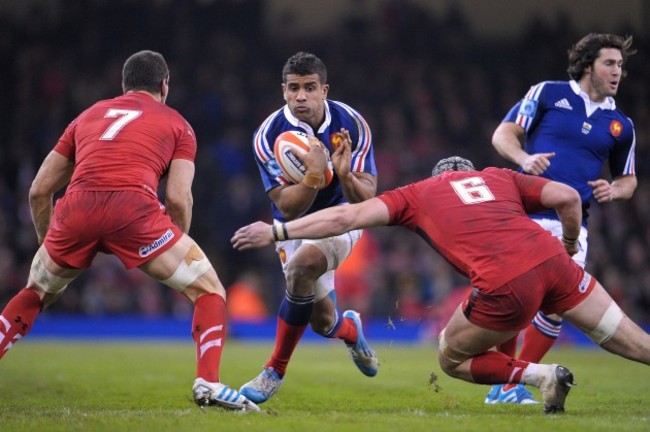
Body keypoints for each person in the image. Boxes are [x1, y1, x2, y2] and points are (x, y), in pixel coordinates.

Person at [232, 156, 650, 414]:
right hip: (555, 262)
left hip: (507, 282)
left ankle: (539, 376)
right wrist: (571, 245)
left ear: (438, 177)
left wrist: (277, 232)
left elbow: (344, 218)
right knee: (628, 339)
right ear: (470, 172)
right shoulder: (499, 177)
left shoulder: (417, 193)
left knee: (451, 354)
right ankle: (533, 376)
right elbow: (568, 198)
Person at [0, 50, 259, 412]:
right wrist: (174, 245)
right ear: (164, 85)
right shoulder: (178, 124)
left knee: (36, 293)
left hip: (76, 210)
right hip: (133, 209)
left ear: (124, 87)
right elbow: (179, 198)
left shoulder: (87, 116)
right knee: (208, 289)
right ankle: (209, 384)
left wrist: (50, 244)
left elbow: (39, 190)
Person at [489, 33, 638, 403]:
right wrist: (524, 159)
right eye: (609, 63)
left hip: (574, 225)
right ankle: (506, 382)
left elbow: (629, 179)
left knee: (556, 305)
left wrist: (614, 190)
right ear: (588, 65)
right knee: (514, 298)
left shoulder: (621, 125)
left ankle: (509, 385)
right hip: (525, 213)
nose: (617, 71)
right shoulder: (547, 93)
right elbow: (504, 134)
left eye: (620, 65)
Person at [241, 51, 379, 404]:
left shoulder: (352, 123)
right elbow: (287, 205)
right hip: (294, 222)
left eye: (309, 87)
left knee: (302, 268)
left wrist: (344, 173)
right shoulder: (267, 135)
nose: (301, 96)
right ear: (284, 91)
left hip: (340, 217)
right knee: (322, 322)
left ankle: (274, 370)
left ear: (324, 90)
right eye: (293, 88)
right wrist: (316, 174)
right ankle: (349, 331)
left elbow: (365, 198)